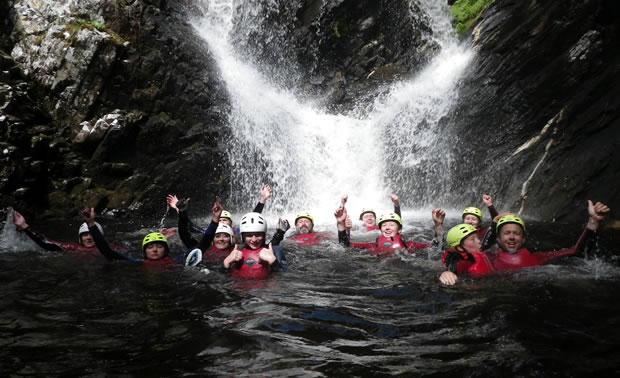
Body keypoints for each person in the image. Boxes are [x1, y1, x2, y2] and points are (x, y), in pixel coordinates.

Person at [439, 200, 610, 285]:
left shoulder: (539, 257)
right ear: (498, 239)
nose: (512, 237)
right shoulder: (490, 257)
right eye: (507, 233)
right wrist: (446, 273)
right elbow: (458, 262)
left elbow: (576, 251)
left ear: (523, 239)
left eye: (516, 234)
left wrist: (593, 222)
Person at [81, 207, 174, 265]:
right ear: (144, 252)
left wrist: (182, 212)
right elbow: (107, 251)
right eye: (150, 247)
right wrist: (91, 224)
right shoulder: (138, 262)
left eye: (159, 246)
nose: (154, 250)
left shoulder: (175, 261)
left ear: (166, 250)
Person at [11, 209, 127, 253]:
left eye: (91, 234)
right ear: (80, 238)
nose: (89, 237)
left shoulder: (114, 249)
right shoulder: (74, 248)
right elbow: (47, 243)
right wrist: (24, 226)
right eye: (85, 235)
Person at [335, 205, 432, 255]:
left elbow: (435, 247)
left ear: (400, 230)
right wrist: (340, 224)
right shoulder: (373, 245)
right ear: (380, 230)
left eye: (391, 225)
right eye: (384, 225)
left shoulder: (409, 245)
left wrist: (438, 226)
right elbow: (345, 245)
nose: (387, 227)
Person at [222, 212, 287, 278]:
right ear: (243, 237)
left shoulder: (275, 251)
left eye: (258, 235)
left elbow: (284, 276)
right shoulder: (235, 251)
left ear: (264, 235)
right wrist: (225, 264)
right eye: (249, 235)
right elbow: (221, 277)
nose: (254, 239)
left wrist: (274, 262)